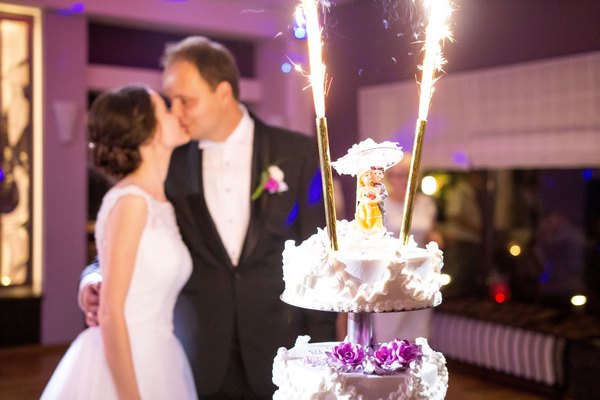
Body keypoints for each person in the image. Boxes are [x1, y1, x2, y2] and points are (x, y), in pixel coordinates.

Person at [80, 36, 336, 399]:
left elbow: (321, 257)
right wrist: (93, 278)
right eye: (170, 101)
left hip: (283, 348)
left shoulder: (297, 153)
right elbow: (124, 238)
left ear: (223, 93)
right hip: (197, 354)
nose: (177, 111)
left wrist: (325, 351)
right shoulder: (165, 159)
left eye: (186, 100)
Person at [42, 86, 197, 399]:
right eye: (165, 108)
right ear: (148, 131)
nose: (177, 113)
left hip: (160, 354)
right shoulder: (131, 202)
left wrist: (97, 277)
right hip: (127, 356)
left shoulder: (159, 200)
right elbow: (111, 312)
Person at [373, 156, 443, 342]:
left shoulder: (426, 203)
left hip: (420, 272)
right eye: (396, 175)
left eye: (406, 175)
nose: (401, 180)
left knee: (417, 328)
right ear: (388, 177)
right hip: (390, 272)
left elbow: (431, 233)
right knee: (388, 326)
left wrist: (435, 239)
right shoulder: (380, 204)